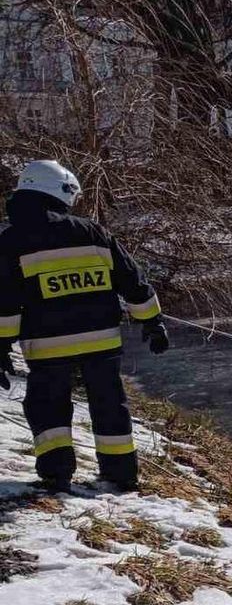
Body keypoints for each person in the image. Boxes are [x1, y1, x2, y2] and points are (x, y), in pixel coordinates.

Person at [0, 160, 169, 494]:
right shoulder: (92, 232)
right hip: (101, 343)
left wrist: (1, 346)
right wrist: (152, 321)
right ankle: (121, 474)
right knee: (110, 406)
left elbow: (4, 302)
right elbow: (132, 280)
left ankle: (56, 475)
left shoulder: (11, 241)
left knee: (48, 406)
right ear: (60, 192)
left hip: (46, 347)